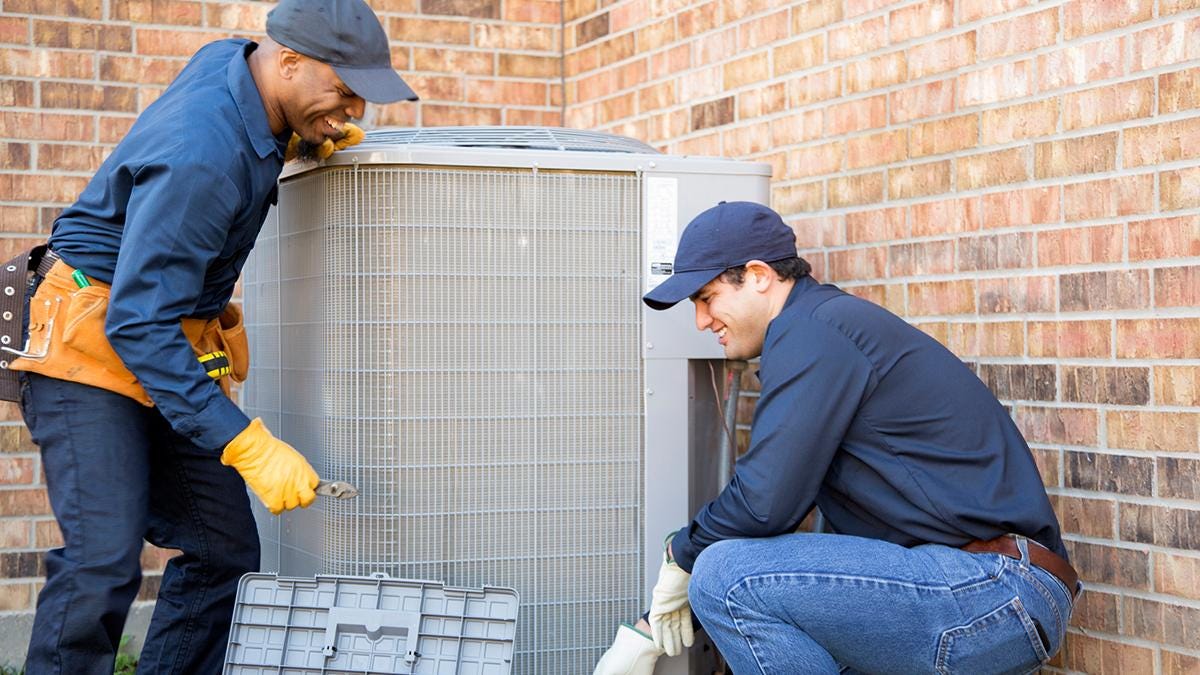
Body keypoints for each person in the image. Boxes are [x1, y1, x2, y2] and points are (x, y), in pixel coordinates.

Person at [4, 1, 417, 672]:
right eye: (343, 93)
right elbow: (136, 321)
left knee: (222, 549)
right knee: (102, 560)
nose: (353, 112)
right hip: (89, 344)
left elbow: (244, 110)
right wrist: (244, 440)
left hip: (154, 336)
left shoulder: (237, 66)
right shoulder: (204, 154)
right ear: (288, 62)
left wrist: (304, 133)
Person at [594, 201, 1081, 674]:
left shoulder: (812, 334)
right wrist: (649, 624)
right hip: (975, 590)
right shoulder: (822, 331)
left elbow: (764, 503)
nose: (701, 321)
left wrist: (680, 558)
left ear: (759, 275)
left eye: (706, 298)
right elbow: (780, 539)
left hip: (993, 589)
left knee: (723, 573)